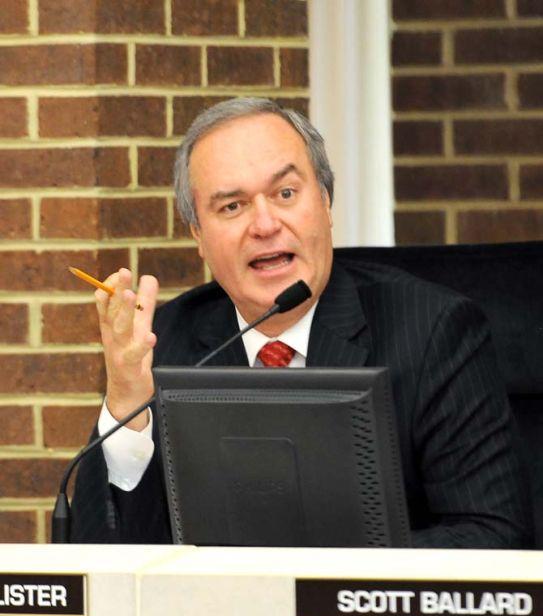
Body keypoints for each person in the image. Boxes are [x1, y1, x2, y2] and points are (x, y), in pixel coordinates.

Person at [70, 97, 531, 548]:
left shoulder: (434, 331)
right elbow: (100, 554)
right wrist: (125, 402)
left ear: (326, 203)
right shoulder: (164, 341)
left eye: (285, 194)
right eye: (232, 206)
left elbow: (493, 535)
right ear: (199, 236)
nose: (265, 224)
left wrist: (328, 578)